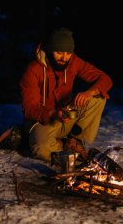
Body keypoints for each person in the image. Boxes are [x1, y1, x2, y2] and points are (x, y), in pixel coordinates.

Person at [19, 27, 113, 162]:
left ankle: (75, 141)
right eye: (59, 53)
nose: (64, 58)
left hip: (66, 116)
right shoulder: (33, 70)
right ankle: (62, 145)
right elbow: (30, 109)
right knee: (41, 149)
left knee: (98, 97)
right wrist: (52, 113)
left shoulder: (73, 62)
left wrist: (90, 92)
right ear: (51, 50)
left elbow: (105, 79)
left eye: (68, 53)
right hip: (43, 121)